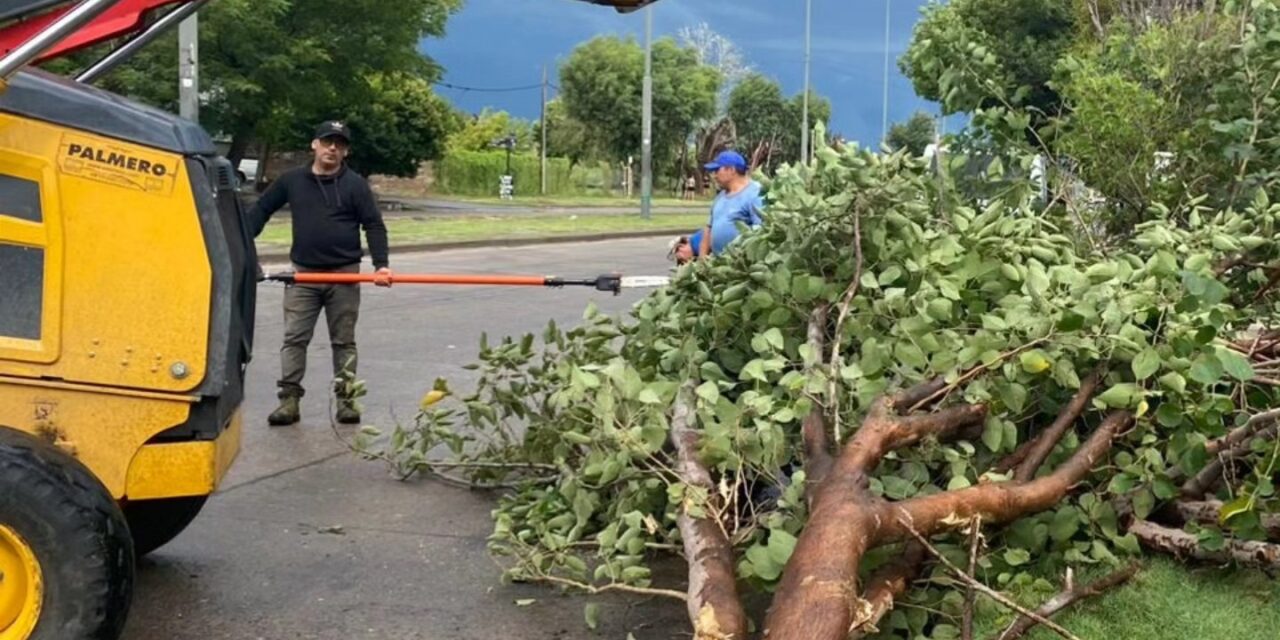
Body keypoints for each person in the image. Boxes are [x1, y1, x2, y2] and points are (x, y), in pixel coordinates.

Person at [247, 120, 392, 427]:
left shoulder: (354, 185)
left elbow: (374, 225)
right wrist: (241, 242)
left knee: (343, 341)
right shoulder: (292, 180)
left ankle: (347, 400)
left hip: (345, 276)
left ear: (346, 151)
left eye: (339, 144)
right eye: (327, 141)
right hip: (303, 276)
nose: (332, 148)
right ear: (314, 144)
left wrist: (381, 265)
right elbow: (261, 210)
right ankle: (289, 401)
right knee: (294, 338)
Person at [670, 150, 763, 264]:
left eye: (717, 170)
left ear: (731, 170)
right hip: (719, 265)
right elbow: (708, 230)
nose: (714, 176)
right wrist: (702, 262)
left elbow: (760, 232)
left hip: (742, 266)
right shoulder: (720, 197)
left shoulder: (756, 193)